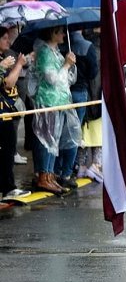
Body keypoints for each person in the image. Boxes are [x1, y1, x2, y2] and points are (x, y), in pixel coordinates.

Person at [30, 26, 81, 195]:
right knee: (46, 139)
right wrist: (66, 65)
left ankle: (50, 176)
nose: (63, 35)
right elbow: (52, 79)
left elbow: (68, 80)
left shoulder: (56, 52)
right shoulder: (44, 53)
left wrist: (70, 65)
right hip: (48, 102)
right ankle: (44, 176)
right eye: (60, 32)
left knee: (54, 139)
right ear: (52, 33)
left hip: (58, 101)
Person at [0, 25, 28, 199]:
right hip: (1, 112)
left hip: (6, 110)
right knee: (6, 147)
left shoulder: (4, 56)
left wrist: (17, 64)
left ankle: (8, 186)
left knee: (8, 147)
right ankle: (8, 187)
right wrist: (15, 65)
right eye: (4, 38)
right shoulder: (3, 61)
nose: (8, 41)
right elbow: (8, 83)